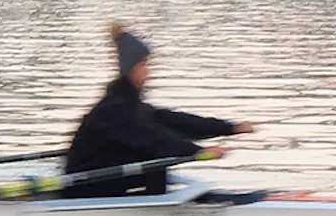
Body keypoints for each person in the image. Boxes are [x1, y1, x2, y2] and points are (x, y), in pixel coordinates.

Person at [63, 24, 251, 195]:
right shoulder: (113, 110)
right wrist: (195, 151)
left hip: (105, 174)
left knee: (156, 154)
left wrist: (229, 128)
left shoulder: (133, 106)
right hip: (83, 184)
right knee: (154, 155)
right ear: (129, 69)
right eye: (144, 65)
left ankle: (156, 204)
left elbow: (178, 121)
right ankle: (158, 214)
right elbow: (153, 139)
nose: (149, 72)